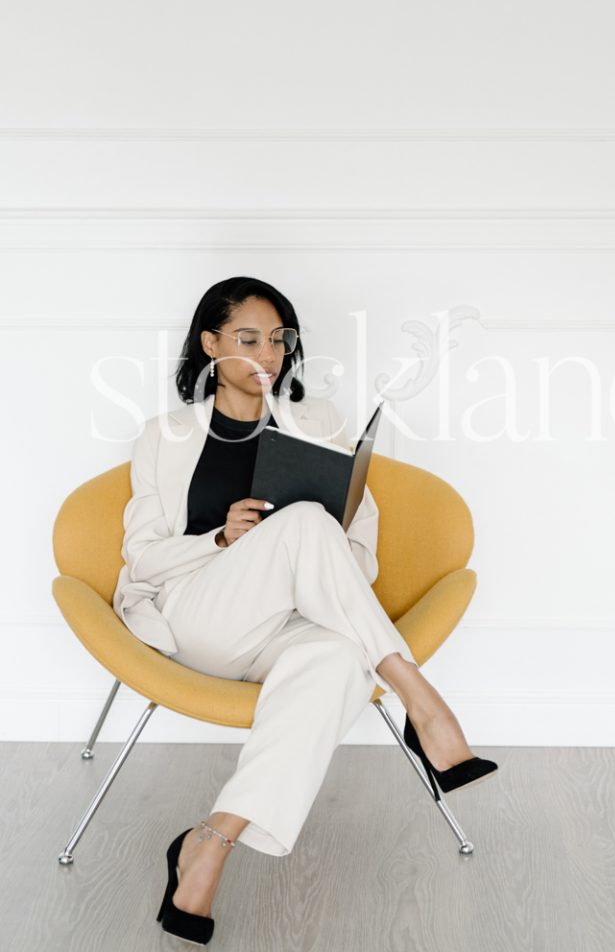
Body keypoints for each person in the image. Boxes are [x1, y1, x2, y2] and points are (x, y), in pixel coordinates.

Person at [114, 275, 497, 946]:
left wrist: (303, 549)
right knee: (303, 523)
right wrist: (222, 538)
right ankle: (422, 701)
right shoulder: (165, 435)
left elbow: (358, 548)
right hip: (199, 619)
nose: (269, 355)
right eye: (249, 339)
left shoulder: (317, 423)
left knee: (336, 655)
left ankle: (210, 842)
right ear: (209, 344)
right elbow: (141, 558)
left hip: (290, 624)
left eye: (280, 340)